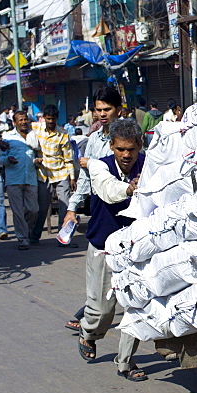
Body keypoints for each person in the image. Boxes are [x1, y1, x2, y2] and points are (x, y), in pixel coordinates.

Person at [76, 118, 149, 381]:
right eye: (121, 149)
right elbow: (108, 191)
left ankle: (125, 362)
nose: (126, 155)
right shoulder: (99, 166)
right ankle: (88, 332)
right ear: (112, 146)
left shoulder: (149, 164)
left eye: (131, 149)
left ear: (140, 145)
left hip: (136, 246)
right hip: (102, 245)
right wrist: (130, 188)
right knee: (103, 310)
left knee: (135, 305)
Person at [63, 86, 124, 332]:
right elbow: (85, 179)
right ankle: (90, 314)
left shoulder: (127, 136)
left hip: (126, 205)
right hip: (100, 209)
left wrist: (95, 164)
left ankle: (92, 313)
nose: (101, 114)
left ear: (118, 110)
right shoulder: (94, 140)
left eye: (107, 109)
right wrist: (72, 208)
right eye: (98, 110)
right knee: (98, 267)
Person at [30, 105, 77, 243]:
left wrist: (72, 178)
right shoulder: (36, 128)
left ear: (57, 119)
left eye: (53, 119)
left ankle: (63, 237)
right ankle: (35, 236)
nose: (51, 121)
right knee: (42, 208)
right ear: (44, 118)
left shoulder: (63, 133)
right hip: (43, 174)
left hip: (61, 173)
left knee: (65, 207)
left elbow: (68, 158)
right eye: (48, 119)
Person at [0, 109, 41, 250]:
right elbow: (1, 158)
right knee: (17, 211)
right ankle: (23, 238)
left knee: (33, 209)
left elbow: (36, 153)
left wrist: (37, 161)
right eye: (20, 120)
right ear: (14, 122)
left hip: (30, 177)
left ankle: (26, 231)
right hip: (14, 179)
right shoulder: (7, 137)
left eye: (25, 119)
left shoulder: (33, 136)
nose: (23, 122)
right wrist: (8, 159)